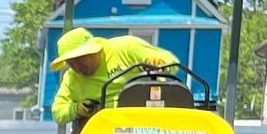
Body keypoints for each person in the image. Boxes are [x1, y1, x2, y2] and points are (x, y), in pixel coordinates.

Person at [49, 25, 179, 124]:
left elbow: (171, 63)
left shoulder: (126, 47)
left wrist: (159, 64)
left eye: (79, 60)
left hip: (144, 122)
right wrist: (77, 109)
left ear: (93, 50)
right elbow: (57, 111)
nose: (77, 68)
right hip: (103, 132)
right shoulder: (71, 79)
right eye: (71, 64)